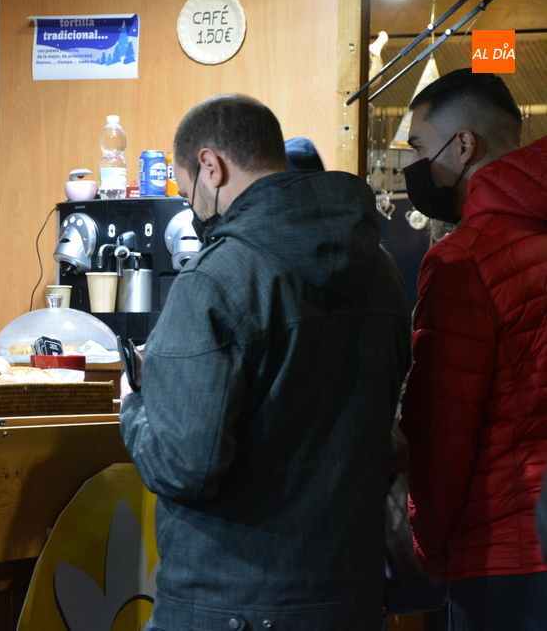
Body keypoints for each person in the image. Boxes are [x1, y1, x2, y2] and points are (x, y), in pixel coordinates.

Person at [118, 94, 411, 630]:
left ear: (212, 165)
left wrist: (133, 405)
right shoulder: (383, 273)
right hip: (352, 597)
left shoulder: (214, 278)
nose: (194, 210)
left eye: (188, 194)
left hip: (229, 602)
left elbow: (186, 468)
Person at [398, 68, 547, 630]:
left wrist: (432, 545)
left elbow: (443, 429)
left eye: (418, 147)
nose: (418, 166)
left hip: (506, 555)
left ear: (463, 146)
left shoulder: (465, 259)